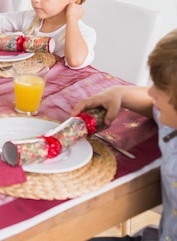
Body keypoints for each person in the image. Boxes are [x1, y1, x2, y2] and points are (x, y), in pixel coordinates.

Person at [71, 28, 177, 240]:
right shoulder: (171, 120)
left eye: (160, 89)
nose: (151, 92)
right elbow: (153, 104)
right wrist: (117, 93)